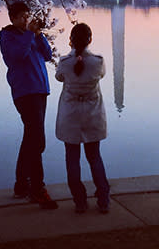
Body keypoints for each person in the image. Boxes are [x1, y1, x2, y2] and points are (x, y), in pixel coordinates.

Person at [0, 0, 58, 209]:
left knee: (31, 139)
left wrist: (39, 34)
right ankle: (37, 188)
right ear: (13, 18)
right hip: (25, 92)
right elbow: (17, 56)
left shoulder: (30, 35)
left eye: (27, 16)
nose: (26, 20)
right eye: (23, 17)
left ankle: (22, 184)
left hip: (40, 90)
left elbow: (48, 55)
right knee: (37, 140)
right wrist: (28, 35)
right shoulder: (8, 37)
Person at [55, 22, 110, 213]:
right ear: (90, 40)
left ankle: (79, 201)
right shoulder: (98, 61)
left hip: (70, 117)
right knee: (94, 158)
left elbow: (59, 77)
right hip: (92, 116)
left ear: (70, 40)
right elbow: (100, 75)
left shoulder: (64, 62)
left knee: (72, 159)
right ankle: (103, 198)